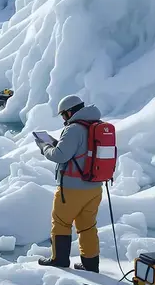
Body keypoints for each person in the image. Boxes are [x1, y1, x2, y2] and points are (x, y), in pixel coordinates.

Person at [35, 95, 104, 272]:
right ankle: (90, 264)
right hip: (94, 187)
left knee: (61, 222)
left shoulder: (74, 129)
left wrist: (45, 146)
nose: (64, 119)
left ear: (70, 111)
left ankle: (59, 260)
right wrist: (58, 145)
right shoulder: (97, 126)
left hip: (72, 188)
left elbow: (60, 156)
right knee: (87, 225)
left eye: (64, 115)